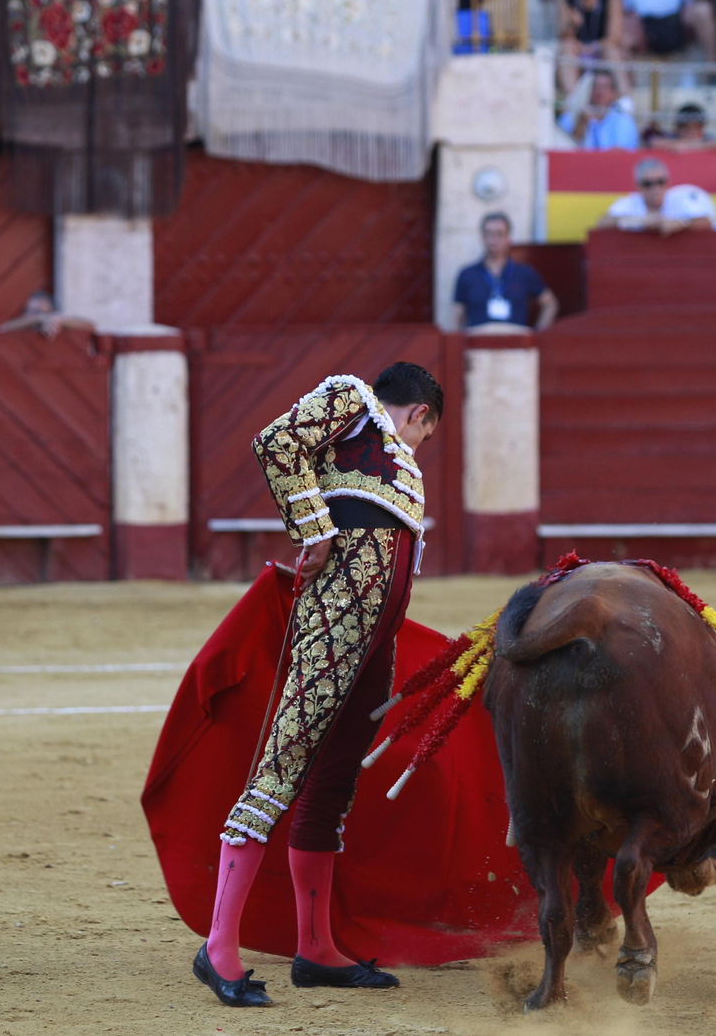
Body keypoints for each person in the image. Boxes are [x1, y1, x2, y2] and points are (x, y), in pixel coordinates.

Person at [197, 363, 443, 1008]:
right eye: (426, 433)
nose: (420, 446)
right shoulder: (353, 400)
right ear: (420, 413)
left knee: (330, 787)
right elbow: (275, 441)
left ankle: (316, 950)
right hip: (334, 625)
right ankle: (218, 948)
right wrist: (316, 530)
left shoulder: (390, 457)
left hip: (373, 638)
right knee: (281, 769)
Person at [451, 213, 560, 330]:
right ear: (483, 236)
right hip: (479, 338)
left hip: (515, 338)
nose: (494, 239)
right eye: (489, 233)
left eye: (499, 234)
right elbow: (457, 316)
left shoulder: (524, 273)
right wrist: (458, 340)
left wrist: (537, 335)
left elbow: (550, 304)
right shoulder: (467, 274)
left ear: (508, 237)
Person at [606, 0, 716, 61]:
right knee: (621, 34)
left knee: (703, 11)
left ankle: (713, 71)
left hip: (680, 20)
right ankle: (624, 84)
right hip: (642, 23)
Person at [598, 157, 716, 233]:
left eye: (660, 182)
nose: (655, 188)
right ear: (638, 186)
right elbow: (602, 223)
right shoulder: (630, 202)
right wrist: (640, 221)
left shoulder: (679, 199)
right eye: (648, 184)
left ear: (667, 183)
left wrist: (681, 224)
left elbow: (706, 221)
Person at [560, 0, 628, 95]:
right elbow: (565, 36)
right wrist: (572, 25)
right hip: (578, 52)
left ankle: (625, 99)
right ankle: (573, 99)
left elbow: (614, 37)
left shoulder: (609, 1)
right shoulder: (569, 2)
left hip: (600, 51)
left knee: (611, 51)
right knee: (567, 48)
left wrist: (593, 47)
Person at [559, 71, 642, 149]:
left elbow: (622, 152)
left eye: (605, 87)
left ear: (614, 93)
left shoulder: (623, 120)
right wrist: (581, 124)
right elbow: (563, 148)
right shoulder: (570, 116)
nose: (600, 91)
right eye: (595, 87)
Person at [0, 292, 98, 337]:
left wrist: (60, 321)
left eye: (40, 312)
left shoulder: (60, 324)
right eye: (33, 312)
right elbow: (1, 329)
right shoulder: (24, 327)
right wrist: (38, 319)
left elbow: (91, 326)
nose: (34, 315)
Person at [643, 102, 716, 151]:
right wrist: (679, 144)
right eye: (687, 128)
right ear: (677, 128)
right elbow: (654, 142)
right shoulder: (672, 137)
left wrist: (695, 145)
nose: (691, 132)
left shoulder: (707, 138)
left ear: (702, 128)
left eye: (696, 127)